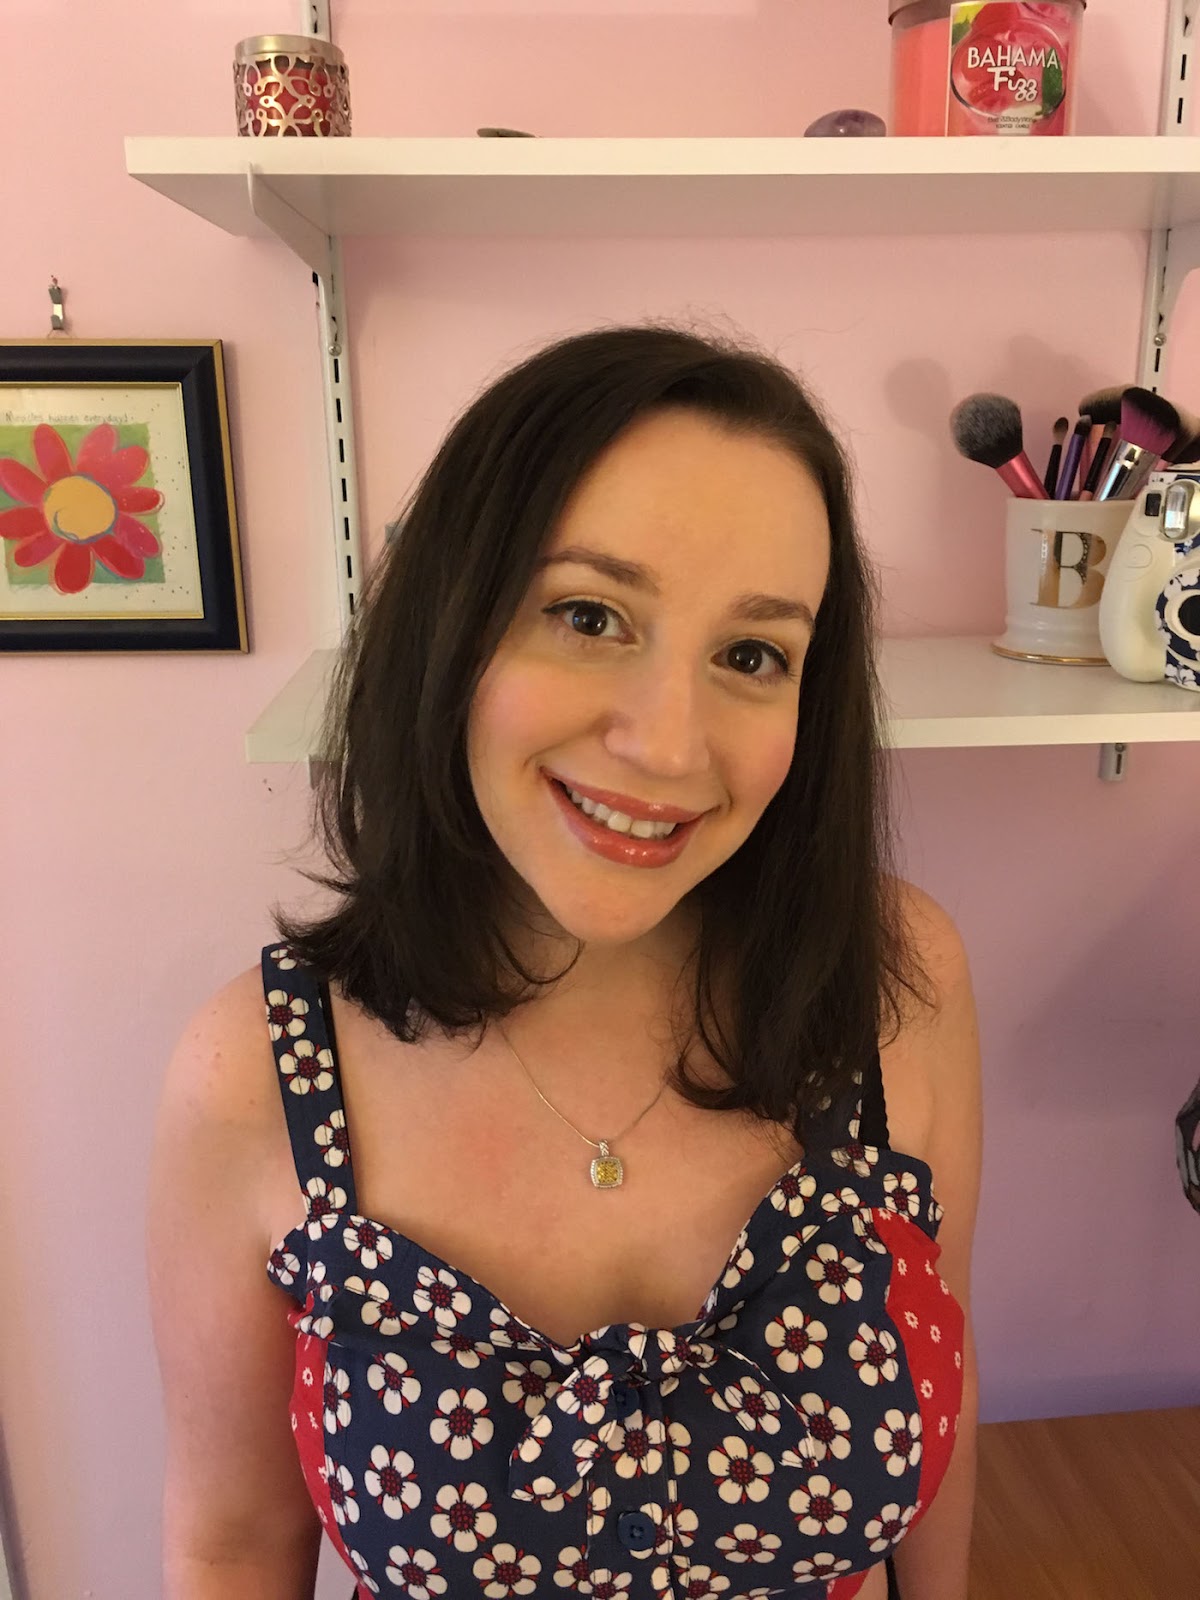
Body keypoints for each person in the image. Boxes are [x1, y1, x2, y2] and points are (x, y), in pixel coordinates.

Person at [147, 322, 982, 1600]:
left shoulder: (894, 983)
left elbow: (941, 1406)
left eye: (752, 653)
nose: (668, 745)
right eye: (589, 615)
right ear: (452, 624)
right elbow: (232, 1543)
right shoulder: (257, 1072)